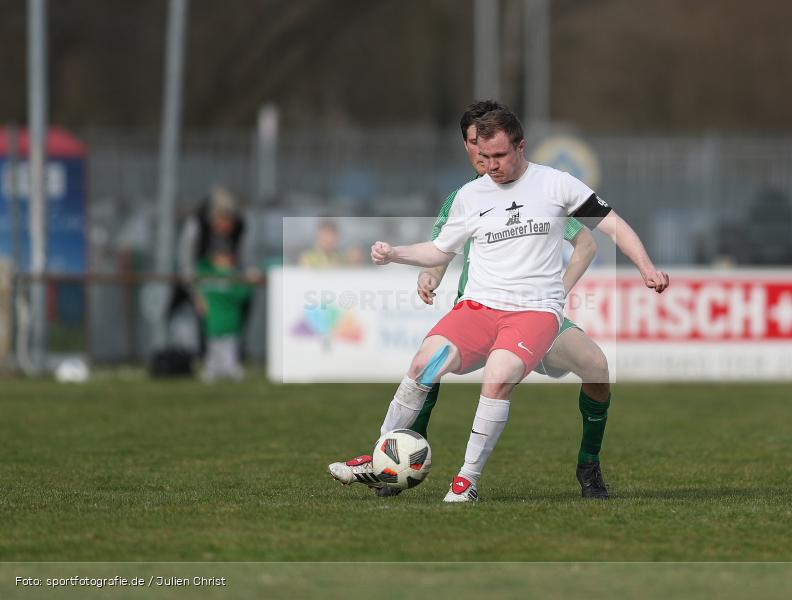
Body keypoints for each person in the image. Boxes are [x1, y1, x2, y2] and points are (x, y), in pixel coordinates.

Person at [329, 107, 668, 503]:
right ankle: (380, 458)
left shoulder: (556, 185)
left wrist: (646, 267)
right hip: (478, 310)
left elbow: (609, 226)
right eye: (482, 155)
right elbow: (440, 249)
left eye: (499, 156)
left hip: (534, 314)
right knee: (424, 365)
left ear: (520, 146)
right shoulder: (468, 197)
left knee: (557, 371)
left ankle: (469, 480)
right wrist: (395, 254)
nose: (490, 165)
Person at [173, 185, 258, 356]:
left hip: (228, 284)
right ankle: (202, 354)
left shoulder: (240, 227)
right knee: (201, 317)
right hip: (201, 282)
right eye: (222, 219)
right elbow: (186, 264)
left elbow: (246, 260)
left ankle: (235, 354)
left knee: (235, 316)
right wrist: (196, 294)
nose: (226, 226)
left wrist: (249, 274)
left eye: (229, 220)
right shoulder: (196, 225)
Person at [195, 250, 252, 382]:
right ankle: (225, 370)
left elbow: (198, 274)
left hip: (215, 321)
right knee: (225, 348)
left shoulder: (207, 275)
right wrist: (250, 283)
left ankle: (215, 370)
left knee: (216, 347)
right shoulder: (231, 276)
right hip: (227, 320)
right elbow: (242, 295)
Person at [298, 220, 363, 267]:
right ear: (317, 236)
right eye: (325, 235)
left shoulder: (342, 257)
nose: (329, 239)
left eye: (332, 235)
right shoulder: (307, 257)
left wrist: (354, 262)